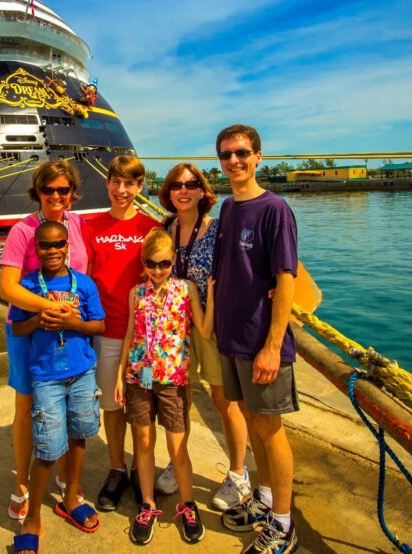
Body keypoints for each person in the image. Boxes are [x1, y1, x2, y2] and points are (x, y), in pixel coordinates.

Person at [212, 124, 303, 553]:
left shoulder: (275, 209)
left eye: (242, 152)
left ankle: (283, 525)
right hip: (233, 338)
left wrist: (271, 345)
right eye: (226, 154)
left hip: (260, 342)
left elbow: (286, 279)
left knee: (270, 429)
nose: (234, 161)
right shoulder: (228, 208)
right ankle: (266, 501)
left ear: (259, 156)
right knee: (252, 419)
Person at [153, 163, 252, 511]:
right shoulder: (164, 229)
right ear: (168, 191)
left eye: (192, 184)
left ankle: (239, 474)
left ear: (202, 191)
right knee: (177, 402)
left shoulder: (219, 229)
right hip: (173, 330)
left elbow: (247, 262)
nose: (184, 190)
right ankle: (176, 461)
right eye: (177, 185)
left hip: (212, 326)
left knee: (225, 401)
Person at [0, 160, 89, 522]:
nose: (55, 196)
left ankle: (70, 485)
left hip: (68, 330)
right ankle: (21, 482)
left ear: (72, 193)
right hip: (27, 329)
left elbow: (85, 274)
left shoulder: (79, 225)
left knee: (68, 404)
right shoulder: (22, 230)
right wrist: (51, 307)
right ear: (36, 191)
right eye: (48, 189)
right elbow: (7, 286)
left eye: (63, 190)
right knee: (26, 406)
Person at [9, 221, 104, 554]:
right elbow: (18, 329)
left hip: (81, 372)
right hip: (46, 376)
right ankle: (32, 518)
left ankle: (71, 495)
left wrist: (71, 322)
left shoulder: (85, 284)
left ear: (68, 246)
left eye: (58, 244)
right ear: (36, 249)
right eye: (45, 246)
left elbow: (100, 324)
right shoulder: (28, 286)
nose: (52, 251)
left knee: (79, 435)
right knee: (48, 447)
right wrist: (39, 319)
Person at [115, 228, 209, 545]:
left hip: (174, 382)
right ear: (144, 263)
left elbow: (206, 332)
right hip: (138, 379)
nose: (157, 270)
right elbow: (130, 336)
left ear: (174, 262)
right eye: (152, 264)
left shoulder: (187, 290)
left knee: (177, 448)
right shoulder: (135, 294)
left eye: (164, 264)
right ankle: (147, 504)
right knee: (142, 442)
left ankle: (187, 504)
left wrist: (218, 295)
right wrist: (119, 376)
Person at [81, 155, 160, 511]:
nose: (122, 190)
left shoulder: (151, 228)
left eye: (130, 184)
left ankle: (145, 469)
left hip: (145, 337)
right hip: (108, 331)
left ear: (139, 187)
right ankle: (117, 468)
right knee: (112, 405)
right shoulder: (90, 227)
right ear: (107, 183)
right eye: (116, 182)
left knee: (144, 408)